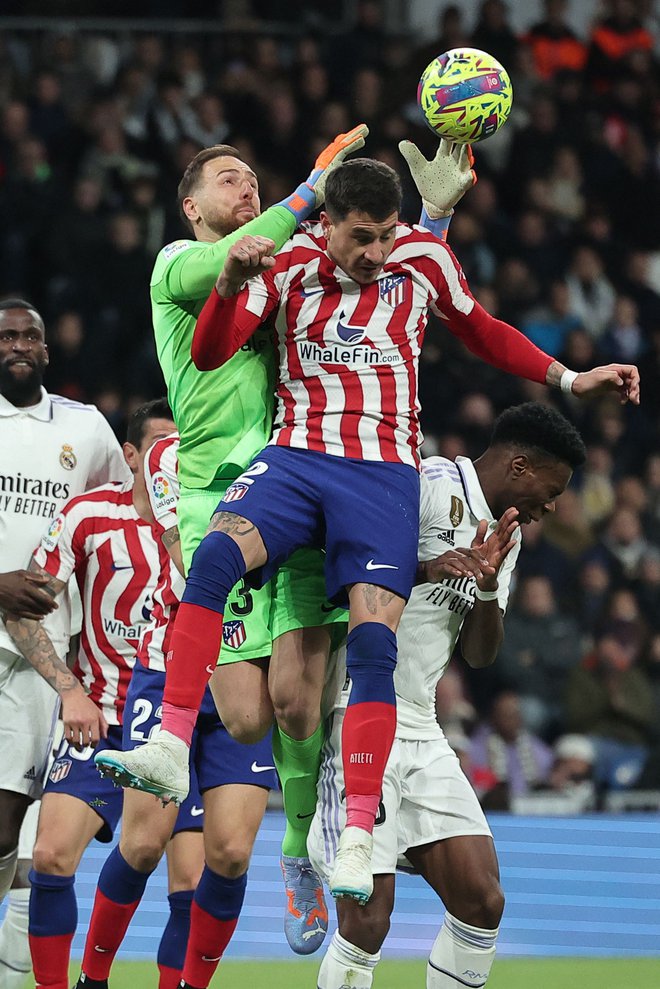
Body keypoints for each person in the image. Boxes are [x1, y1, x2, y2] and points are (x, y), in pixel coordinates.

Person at [101, 150, 639, 904]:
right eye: (362, 237)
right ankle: (168, 744)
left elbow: (481, 328)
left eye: (387, 233)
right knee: (218, 553)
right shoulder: (286, 259)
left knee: (369, 647)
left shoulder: (420, 255)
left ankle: (354, 835)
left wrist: (569, 376)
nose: (377, 252)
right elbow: (213, 346)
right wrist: (228, 283)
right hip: (296, 455)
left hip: (383, 471)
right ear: (327, 225)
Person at [98, 128, 369, 954]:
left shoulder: (278, 273)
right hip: (219, 501)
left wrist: (422, 212)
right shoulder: (178, 263)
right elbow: (234, 258)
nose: (245, 187)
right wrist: (308, 187)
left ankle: (301, 850)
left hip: (298, 481)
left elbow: (365, 265)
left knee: (294, 697)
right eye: (227, 179)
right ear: (191, 205)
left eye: (254, 177)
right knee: (248, 716)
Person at [308, 402, 587, 989]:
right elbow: (346, 573)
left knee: (482, 900)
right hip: (357, 706)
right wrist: (429, 567)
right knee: (367, 919)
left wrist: (487, 591)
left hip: (420, 722)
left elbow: (481, 654)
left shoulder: (502, 536)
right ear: (519, 466)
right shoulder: (425, 484)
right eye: (552, 488)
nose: (552, 506)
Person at [74, 428, 279, 989]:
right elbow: (187, 555)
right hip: (170, 669)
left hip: (247, 671)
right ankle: (92, 980)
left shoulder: (284, 448)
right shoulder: (170, 452)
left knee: (230, 854)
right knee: (142, 843)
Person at [3, 399, 175, 989]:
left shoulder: (211, 518)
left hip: (171, 725)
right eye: (160, 449)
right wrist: (69, 690)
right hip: (97, 713)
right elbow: (23, 609)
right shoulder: (87, 515)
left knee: (147, 852)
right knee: (49, 858)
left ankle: (94, 977)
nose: (174, 463)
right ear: (129, 456)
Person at [0, 296, 127, 989]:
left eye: (29, 336)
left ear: (47, 350)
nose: (17, 345)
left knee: (33, 850)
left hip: (52, 664)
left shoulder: (86, 428)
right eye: (6, 336)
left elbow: (126, 526)